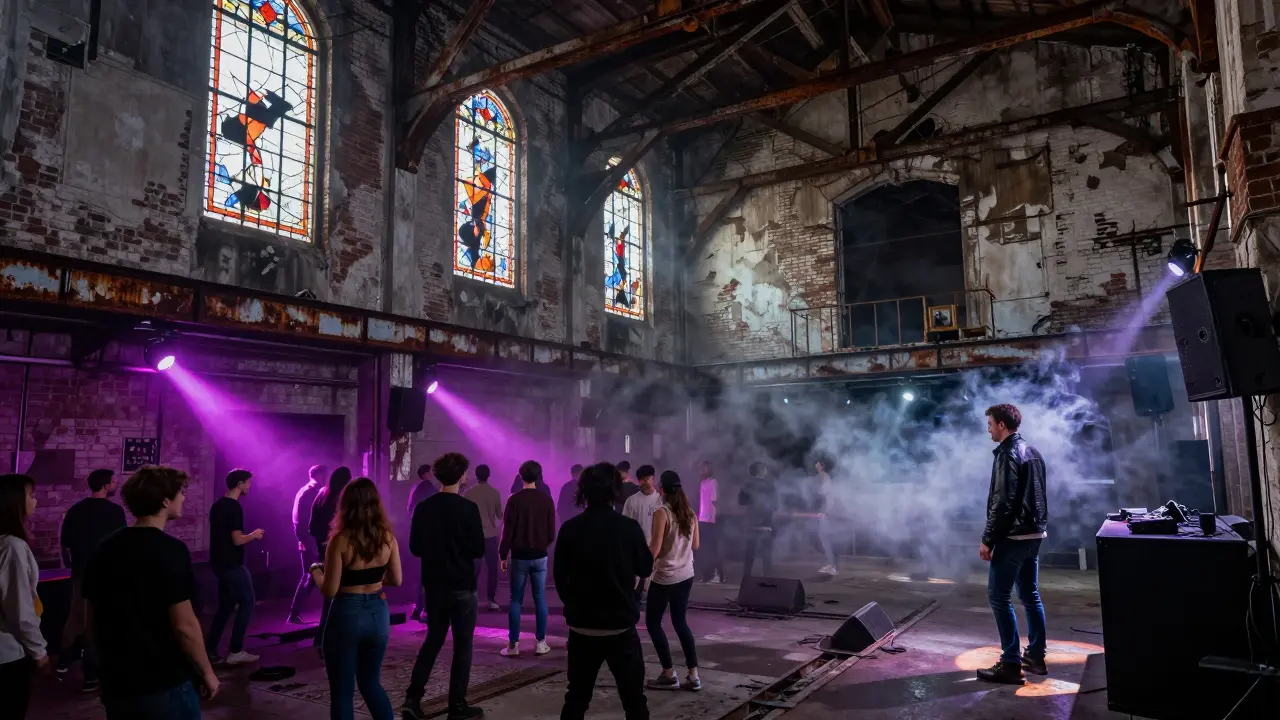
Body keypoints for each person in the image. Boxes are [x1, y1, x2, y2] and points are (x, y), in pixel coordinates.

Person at [84, 466, 219, 719]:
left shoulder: (105, 547)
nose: (184, 498)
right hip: (163, 682)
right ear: (165, 500)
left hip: (118, 683)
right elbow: (184, 626)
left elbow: (91, 620)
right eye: (181, 492)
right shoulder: (170, 550)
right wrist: (207, 673)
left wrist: (103, 668)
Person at [555, 462, 653, 720]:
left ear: (584, 491)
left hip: (581, 627)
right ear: (615, 491)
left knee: (576, 697)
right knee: (634, 700)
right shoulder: (628, 528)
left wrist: (574, 604)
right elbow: (645, 567)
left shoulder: (569, 529)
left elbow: (559, 578)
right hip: (620, 627)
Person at [309, 478, 403, 720]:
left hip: (347, 614)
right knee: (371, 684)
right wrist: (373, 581)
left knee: (342, 692)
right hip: (378, 613)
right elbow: (397, 580)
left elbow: (330, 591)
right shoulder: (387, 538)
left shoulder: (340, 540)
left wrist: (315, 572)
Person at [402, 453, 486, 720]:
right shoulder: (468, 509)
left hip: (434, 586)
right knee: (463, 646)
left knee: (433, 641)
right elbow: (478, 549)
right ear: (462, 476)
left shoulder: (423, 508)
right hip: (462, 585)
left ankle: (412, 699)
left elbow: (415, 548)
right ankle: (457, 707)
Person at [976, 404, 1048, 686]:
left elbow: (1003, 502)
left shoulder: (1008, 454)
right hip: (1034, 535)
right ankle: (1036, 656)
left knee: (999, 597)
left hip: (1013, 536)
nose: (989, 429)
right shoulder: (1033, 451)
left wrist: (988, 538)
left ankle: (1010, 663)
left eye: (991, 424)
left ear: (1003, 425)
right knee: (1030, 595)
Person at [57, 467, 127, 688]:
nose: (116, 485)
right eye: (114, 482)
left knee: (76, 619)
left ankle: (63, 661)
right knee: (96, 624)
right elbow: (120, 545)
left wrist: (73, 567)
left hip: (80, 574)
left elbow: (65, 545)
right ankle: (90, 675)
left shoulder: (76, 510)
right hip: (106, 577)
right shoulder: (116, 512)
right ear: (106, 485)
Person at [645, 471, 701, 692]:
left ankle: (668, 673)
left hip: (665, 577)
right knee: (680, 623)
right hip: (686, 575)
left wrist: (641, 565)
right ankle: (693, 675)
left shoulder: (662, 513)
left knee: (652, 623)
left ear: (662, 489)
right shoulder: (690, 512)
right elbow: (695, 545)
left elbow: (655, 549)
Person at [0, 473, 48, 719]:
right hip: (9, 653)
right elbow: (20, 610)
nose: (36, 501)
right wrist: (39, 652)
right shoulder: (12, 547)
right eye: (31, 495)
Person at [498, 461, 556, 658]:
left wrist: (503, 554)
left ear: (520, 476)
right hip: (540, 555)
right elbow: (551, 532)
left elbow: (507, 531)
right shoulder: (546, 499)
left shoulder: (514, 500)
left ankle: (513, 645)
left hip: (519, 556)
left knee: (516, 600)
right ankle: (541, 642)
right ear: (539, 476)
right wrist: (542, 545)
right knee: (540, 598)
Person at [206, 469, 262, 665]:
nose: (249, 486)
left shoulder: (217, 505)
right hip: (232, 563)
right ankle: (235, 650)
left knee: (226, 607)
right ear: (239, 484)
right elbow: (237, 540)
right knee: (248, 602)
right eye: (248, 482)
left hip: (218, 562)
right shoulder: (233, 507)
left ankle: (210, 650)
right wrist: (253, 535)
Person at [311, 466, 353, 653]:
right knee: (341, 595)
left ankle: (322, 639)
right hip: (340, 551)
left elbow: (312, 526)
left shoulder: (321, 496)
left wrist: (322, 541)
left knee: (331, 596)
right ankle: (330, 640)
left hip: (324, 551)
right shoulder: (343, 500)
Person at [288, 464, 327, 624]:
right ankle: (294, 614)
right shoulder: (311, 493)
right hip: (311, 543)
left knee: (310, 577)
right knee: (309, 577)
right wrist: (308, 543)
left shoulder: (305, 491)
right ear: (319, 475)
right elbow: (301, 521)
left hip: (309, 542)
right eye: (325, 475)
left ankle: (294, 614)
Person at [464, 464, 502, 611]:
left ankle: (470, 598)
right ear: (489, 475)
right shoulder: (495, 493)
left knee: (474, 569)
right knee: (492, 569)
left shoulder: (468, 493)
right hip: (491, 536)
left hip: (474, 536)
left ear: (476, 474)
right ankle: (491, 600)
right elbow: (500, 515)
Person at [622, 465, 663, 603]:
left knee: (653, 582)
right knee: (635, 581)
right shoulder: (632, 501)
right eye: (641, 480)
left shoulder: (660, 501)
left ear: (653, 478)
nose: (645, 482)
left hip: (656, 546)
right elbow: (626, 525)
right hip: (637, 547)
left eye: (647, 479)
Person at [739, 462, 777, 580]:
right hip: (766, 525)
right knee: (766, 556)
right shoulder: (770, 486)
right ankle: (768, 582)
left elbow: (741, 502)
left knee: (749, 556)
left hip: (751, 524)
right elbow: (775, 505)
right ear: (762, 471)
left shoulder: (747, 485)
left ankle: (746, 581)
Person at [406, 464, 434, 622]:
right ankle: (424, 608)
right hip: (428, 535)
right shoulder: (427, 487)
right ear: (426, 474)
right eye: (430, 472)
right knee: (428, 575)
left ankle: (418, 607)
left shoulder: (415, 487)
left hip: (418, 534)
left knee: (423, 574)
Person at [695, 462, 722, 584]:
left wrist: (714, 517)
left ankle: (719, 575)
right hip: (702, 520)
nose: (702, 471)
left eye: (704, 468)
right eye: (701, 469)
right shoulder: (702, 483)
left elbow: (714, 501)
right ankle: (707, 575)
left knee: (712, 549)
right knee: (703, 549)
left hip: (711, 521)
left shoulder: (713, 482)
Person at [815, 459, 839, 576]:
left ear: (821, 466)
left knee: (824, 537)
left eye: (818, 465)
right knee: (824, 538)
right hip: (827, 512)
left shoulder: (824, 477)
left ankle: (832, 565)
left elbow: (825, 496)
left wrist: (823, 511)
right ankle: (830, 564)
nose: (816, 467)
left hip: (827, 513)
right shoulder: (825, 477)